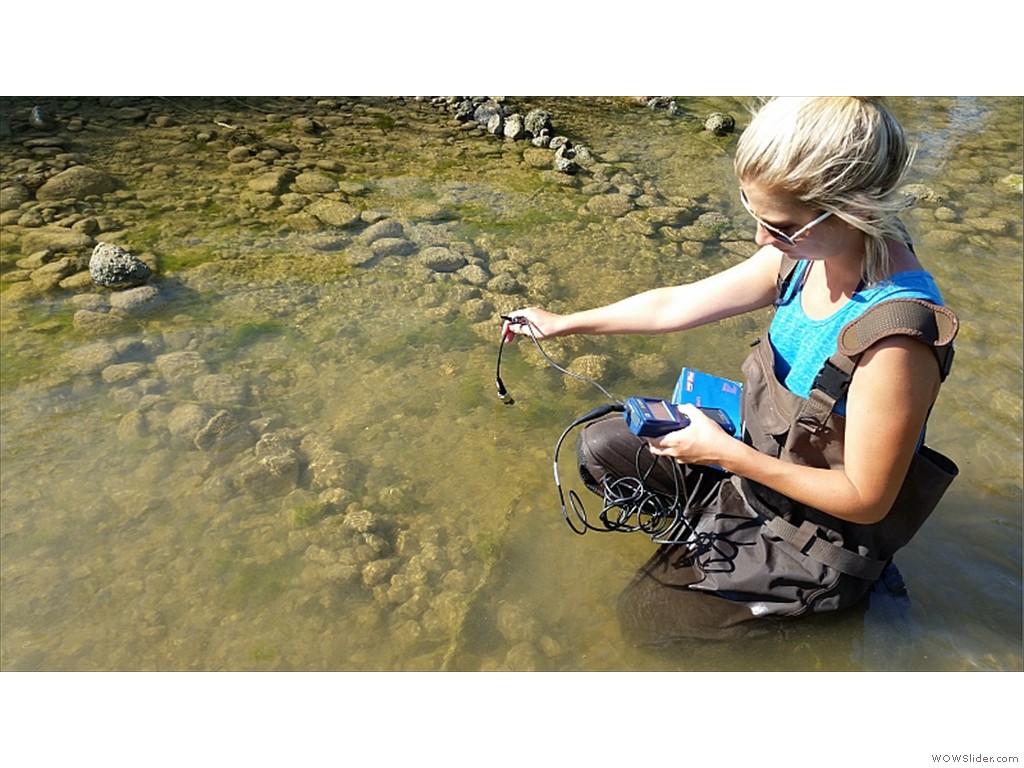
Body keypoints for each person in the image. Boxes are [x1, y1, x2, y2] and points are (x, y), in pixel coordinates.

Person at [502, 97, 960, 643]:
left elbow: (866, 498)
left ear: (854, 209)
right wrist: (563, 323)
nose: (763, 241)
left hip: (819, 527)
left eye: (781, 226)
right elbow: (674, 305)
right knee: (603, 448)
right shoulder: (804, 255)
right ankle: (719, 547)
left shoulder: (896, 341)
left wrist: (721, 453)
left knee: (645, 625)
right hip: (756, 463)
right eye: (754, 214)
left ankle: (832, 600)